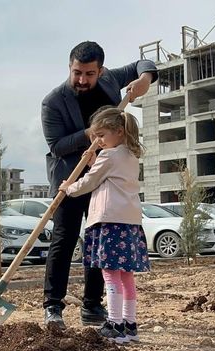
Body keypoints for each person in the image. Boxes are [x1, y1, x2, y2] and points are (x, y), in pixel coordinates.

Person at [41, 41, 157, 328]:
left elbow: (143, 64)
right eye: (77, 72)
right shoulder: (53, 102)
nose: (82, 80)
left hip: (104, 181)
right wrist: (89, 134)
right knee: (64, 240)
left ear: (100, 70)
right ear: (70, 67)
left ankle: (92, 305)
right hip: (70, 179)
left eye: (89, 74)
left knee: (97, 244)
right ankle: (53, 306)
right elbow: (56, 146)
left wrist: (145, 79)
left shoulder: (109, 80)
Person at [59, 107, 150, 343]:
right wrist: (94, 162)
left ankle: (115, 324)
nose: (97, 140)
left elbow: (90, 183)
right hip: (129, 222)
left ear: (119, 132)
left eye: (101, 135)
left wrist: (68, 189)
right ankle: (130, 325)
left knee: (110, 274)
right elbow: (106, 177)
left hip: (109, 221)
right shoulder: (130, 155)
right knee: (126, 275)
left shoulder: (109, 156)